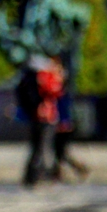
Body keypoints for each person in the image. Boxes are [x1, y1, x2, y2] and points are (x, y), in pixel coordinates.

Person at [19, 58, 64, 187]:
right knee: (44, 148)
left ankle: (32, 176)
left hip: (39, 115)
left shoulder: (37, 76)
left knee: (38, 148)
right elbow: (54, 90)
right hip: (46, 116)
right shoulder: (45, 76)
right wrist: (58, 77)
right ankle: (42, 176)